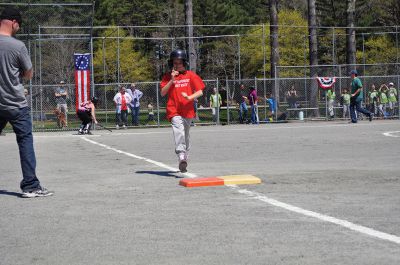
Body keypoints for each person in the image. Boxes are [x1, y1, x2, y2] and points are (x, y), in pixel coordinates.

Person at [0, 7, 53, 198]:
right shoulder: (17, 46)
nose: (18, 29)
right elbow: (29, 73)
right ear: (13, 22)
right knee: (25, 142)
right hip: (15, 103)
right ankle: (30, 186)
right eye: (18, 26)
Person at [160, 49, 205, 173]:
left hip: (187, 110)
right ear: (172, 63)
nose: (177, 65)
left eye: (179, 62)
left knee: (185, 135)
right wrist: (172, 80)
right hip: (173, 109)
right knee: (178, 129)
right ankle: (181, 155)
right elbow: (163, 92)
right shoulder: (167, 76)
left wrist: (190, 97)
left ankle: (185, 156)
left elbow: (200, 91)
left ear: (184, 63)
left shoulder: (190, 75)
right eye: (175, 62)